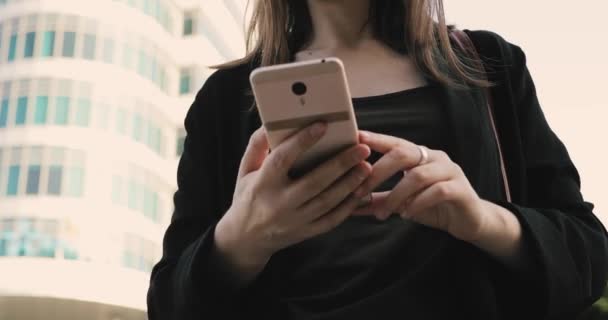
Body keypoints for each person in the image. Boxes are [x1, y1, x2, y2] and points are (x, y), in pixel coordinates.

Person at [147, 1, 608, 319]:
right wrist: (240, 240)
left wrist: (481, 219)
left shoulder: (490, 66)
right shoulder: (224, 103)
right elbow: (168, 304)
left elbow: (589, 256)